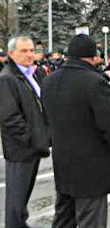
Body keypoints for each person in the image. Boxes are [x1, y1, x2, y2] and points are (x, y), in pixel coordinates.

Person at [42, 34, 110, 228]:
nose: (98, 59)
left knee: (64, 218)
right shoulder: (94, 82)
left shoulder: (49, 80)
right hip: (92, 167)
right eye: (96, 55)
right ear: (89, 56)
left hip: (63, 162)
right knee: (91, 220)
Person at [0, 36, 50, 228]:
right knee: (16, 197)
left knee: (24, 196)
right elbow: (10, 118)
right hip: (21, 148)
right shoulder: (7, 79)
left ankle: (21, 223)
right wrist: (32, 139)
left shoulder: (31, 74)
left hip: (34, 145)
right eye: (24, 51)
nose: (29, 54)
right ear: (11, 54)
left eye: (31, 50)